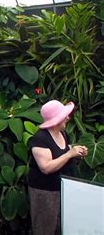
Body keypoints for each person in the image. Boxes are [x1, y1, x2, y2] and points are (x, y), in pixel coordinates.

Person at [28, 100, 88, 235]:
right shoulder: (40, 139)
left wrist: (76, 151)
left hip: (63, 188)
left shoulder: (62, 134)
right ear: (56, 119)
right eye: (64, 115)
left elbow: (61, 151)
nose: (67, 117)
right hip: (44, 192)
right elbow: (46, 167)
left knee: (60, 227)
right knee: (45, 228)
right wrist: (69, 154)